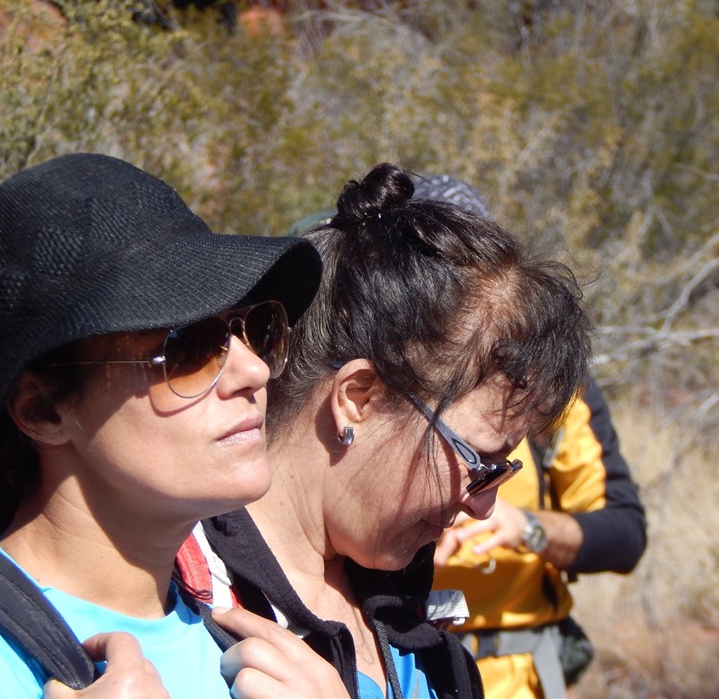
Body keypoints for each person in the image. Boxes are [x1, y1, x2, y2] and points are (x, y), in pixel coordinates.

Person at [0, 152, 349, 698]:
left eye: (257, 329)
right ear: (44, 411)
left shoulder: (254, 659)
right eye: (189, 347)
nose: (253, 371)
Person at [194, 162, 594, 698]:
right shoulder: (179, 608)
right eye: (477, 462)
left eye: (503, 469)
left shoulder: (417, 632)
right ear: (358, 398)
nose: (483, 506)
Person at [414, 174, 647, 699]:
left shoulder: (551, 386)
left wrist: (527, 528)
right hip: (397, 665)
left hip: (518, 674)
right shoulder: (370, 385)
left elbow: (624, 534)